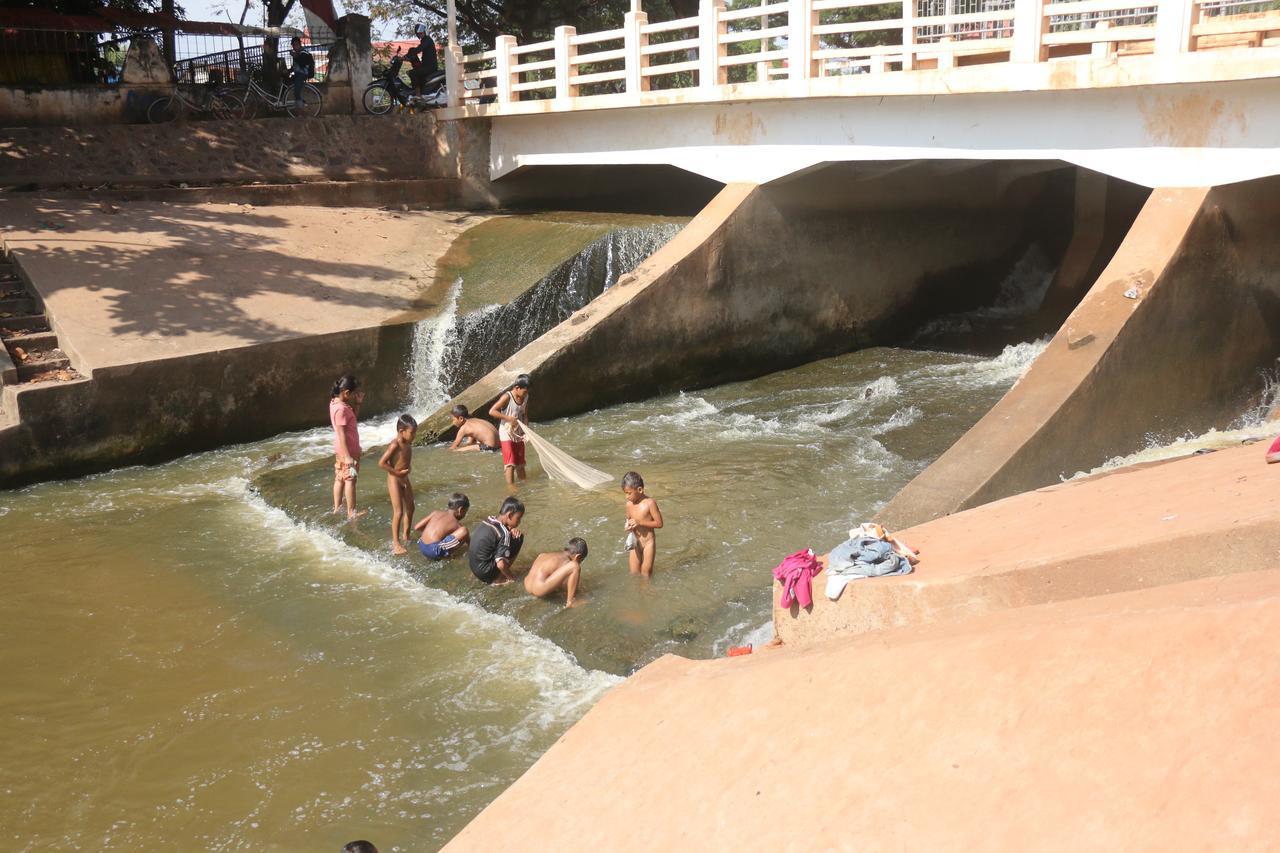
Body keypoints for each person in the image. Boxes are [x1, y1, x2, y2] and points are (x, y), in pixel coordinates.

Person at [378, 414, 417, 554]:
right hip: (394, 478)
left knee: (411, 507)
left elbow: (405, 459)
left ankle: (406, 535)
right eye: (412, 433)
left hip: (404, 478)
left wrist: (408, 467)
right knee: (399, 511)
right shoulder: (395, 444)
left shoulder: (408, 443)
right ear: (402, 431)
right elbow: (381, 463)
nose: (414, 436)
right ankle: (396, 543)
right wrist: (396, 473)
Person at [330, 375, 365, 520]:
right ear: (345, 392)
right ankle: (352, 512)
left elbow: (352, 421)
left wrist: (357, 404)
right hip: (347, 450)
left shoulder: (335, 403)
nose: (354, 396)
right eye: (353, 394)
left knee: (339, 478)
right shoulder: (341, 409)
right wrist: (348, 456)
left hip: (342, 450)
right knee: (350, 480)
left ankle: (337, 509)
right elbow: (342, 434)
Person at [468, 496, 525, 585]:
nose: (519, 522)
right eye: (518, 518)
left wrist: (509, 529)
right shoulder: (504, 533)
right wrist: (512, 578)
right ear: (509, 515)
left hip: (474, 567)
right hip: (485, 574)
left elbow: (497, 532)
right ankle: (499, 577)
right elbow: (500, 565)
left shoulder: (489, 519)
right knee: (518, 538)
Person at [489, 375, 530, 486]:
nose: (526, 394)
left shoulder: (526, 397)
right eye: (524, 391)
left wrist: (526, 430)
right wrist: (509, 419)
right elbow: (492, 411)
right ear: (517, 388)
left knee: (520, 463)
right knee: (510, 463)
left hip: (519, 432)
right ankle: (511, 487)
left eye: (527, 392)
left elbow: (525, 414)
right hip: (506, 432)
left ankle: (524, 484)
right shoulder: (507, 397)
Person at [524, 537, 588, 608]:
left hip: (527, 584)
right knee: (575, 566)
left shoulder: (545, 555)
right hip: (539, 588)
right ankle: (571, 602)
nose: (580, 562)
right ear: (577, 557)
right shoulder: (567, 562)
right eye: (581, 560)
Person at [622, 471, 663, 577]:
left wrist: (640, 522)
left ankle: (646, 593)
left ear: (639, 490)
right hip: (635, 543)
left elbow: (659, 523)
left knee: (646, 574)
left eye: (629, 493)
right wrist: (628, 526)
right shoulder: (628, 505)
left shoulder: (650, 503)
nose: (627, 496)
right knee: (634, 573)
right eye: (625, 493)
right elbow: (629, 520)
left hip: (648, 543)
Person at [415, 492, 471, 560]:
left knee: (445, 537)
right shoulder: (457, 525)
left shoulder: (435, 513)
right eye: (465, 512)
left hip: (421, 544)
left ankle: (440, 548)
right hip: (433, 551)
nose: (464, 515)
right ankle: (449, 557)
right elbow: (469, 541)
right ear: (460, 510)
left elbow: (417, 527)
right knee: (464, 531)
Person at [405, 23, 438, 96]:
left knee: (412, 73)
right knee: (411, 49)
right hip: (426, 66)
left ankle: (418, 95)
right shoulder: (424, 40)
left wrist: (406, 56)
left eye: (421, 33)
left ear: (424, 32)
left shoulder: (427, 40)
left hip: (430, 67)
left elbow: (419, 49)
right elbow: (415, 50)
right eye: (418, 33)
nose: (420, 34)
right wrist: (408, 56)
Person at [287, 36, 315, 106]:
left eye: (296, 45)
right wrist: (288, 71)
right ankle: (283, 100)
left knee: (297, 92)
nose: (295, 47)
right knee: (286, 81)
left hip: (303, 74)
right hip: (298, 73)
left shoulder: (304, 53)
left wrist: (294, 56)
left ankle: (300, 111)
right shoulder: (297, 53)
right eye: (293, 45)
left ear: (300, 44)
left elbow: (302, 64)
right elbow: (295, 67)